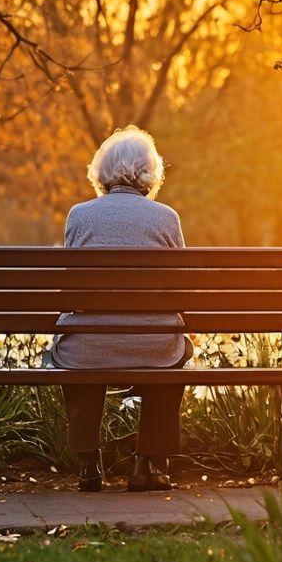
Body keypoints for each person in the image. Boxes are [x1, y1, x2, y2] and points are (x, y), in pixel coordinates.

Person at [48, 126, 188, 492]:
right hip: (153, 344)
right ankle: (149, 464)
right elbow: (180, 289)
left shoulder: (79, 216)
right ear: (150, 172)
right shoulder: (166, 218)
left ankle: (88, 463)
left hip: (89, 347)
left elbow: (71, 289)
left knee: (80, 344)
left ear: (102, 170)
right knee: (170, 348)